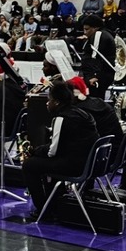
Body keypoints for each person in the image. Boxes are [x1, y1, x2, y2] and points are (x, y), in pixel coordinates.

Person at [21, 78, 98, 221]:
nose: (47, 103)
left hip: (75, 166)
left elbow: (52, 151)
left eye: (49, 100)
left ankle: (43, 210)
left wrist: (35, 151)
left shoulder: (61, 118)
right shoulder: (83, 113)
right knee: (42, 160)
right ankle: (54, 204)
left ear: (56, 102)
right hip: (90, 163)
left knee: (29, 165)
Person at [81, 14, 117, 99]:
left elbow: (95, 57)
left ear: (95, 28)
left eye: (87, 29)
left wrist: (95, 76)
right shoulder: (102, 34)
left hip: (99, 75)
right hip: (101, 74)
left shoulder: (98, 35)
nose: (85, 32)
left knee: (95, 100)